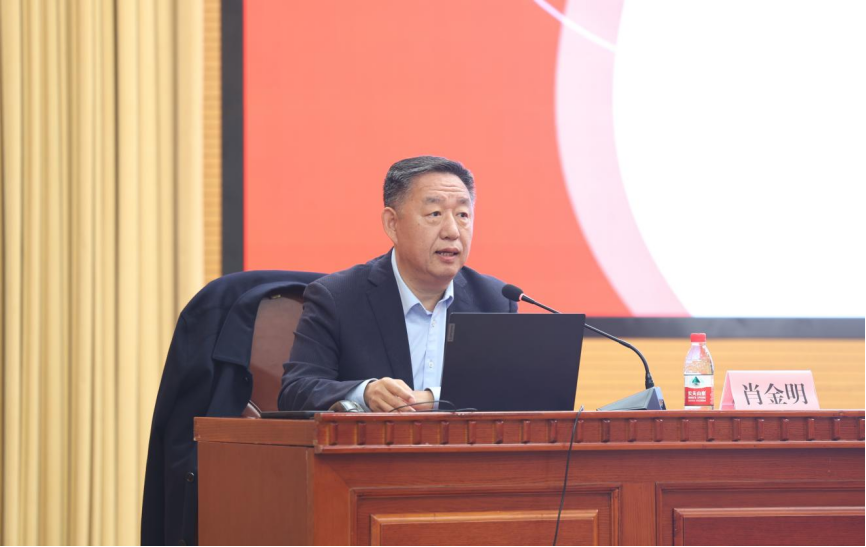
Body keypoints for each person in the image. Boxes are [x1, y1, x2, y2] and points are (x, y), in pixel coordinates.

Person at [278, 156, 517, 412]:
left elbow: (510, 391)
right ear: (392, 224)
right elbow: (296, 391)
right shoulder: (338, 297)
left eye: (462, 215)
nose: (452, 231)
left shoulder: (494, 300)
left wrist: (431, 398)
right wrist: (364, 393)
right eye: (435, 214)